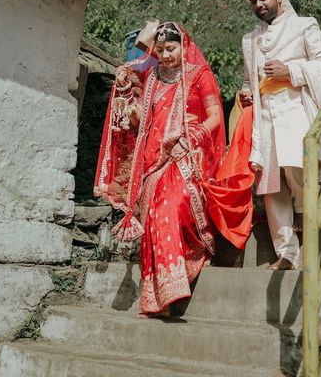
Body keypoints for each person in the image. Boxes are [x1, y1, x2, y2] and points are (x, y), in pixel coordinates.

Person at [94, 22, 228, 317]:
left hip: (187, 153)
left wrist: (190, 138)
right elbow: (133, 84)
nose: (166, 55)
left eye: (172, 48)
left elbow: (216, 116)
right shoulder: (152, 78)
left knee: (168, 205)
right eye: (161, 50)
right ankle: (158, 296)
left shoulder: (198, 75)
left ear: (184, 46)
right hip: (154, 159)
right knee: (152, 209)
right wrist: (128, 100)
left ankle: (184, 268)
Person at [237, 0, 321, 270]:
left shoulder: (305, 25)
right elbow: (247, 79)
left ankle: (308, 232)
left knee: (298, 172)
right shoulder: (249, 40)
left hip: (295, 109)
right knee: (270, 186)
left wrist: (290, 70)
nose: (259, 4)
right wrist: (245, 92)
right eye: (253, 0)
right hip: (264, 118)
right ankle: (287, 255)